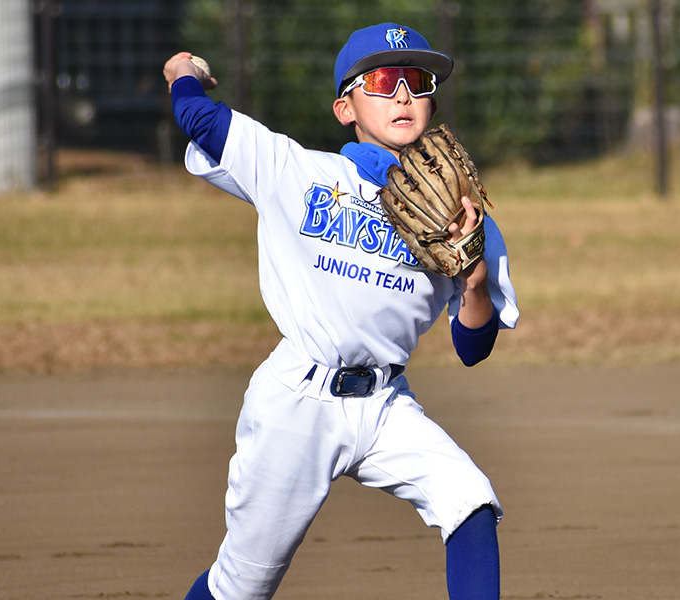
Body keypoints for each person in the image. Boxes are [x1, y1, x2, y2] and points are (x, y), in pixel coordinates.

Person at [162, 22, 519, 600]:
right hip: (297, 401)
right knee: (240, 587)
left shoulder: (465, 219)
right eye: (382, 80)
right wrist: (183, 72)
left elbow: (472, 348)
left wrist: (475, 281)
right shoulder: (297, 172)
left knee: (470, 502)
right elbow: (202, 121)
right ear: (344, 107)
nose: (403, 93)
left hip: (383, 406)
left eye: (417, 80)